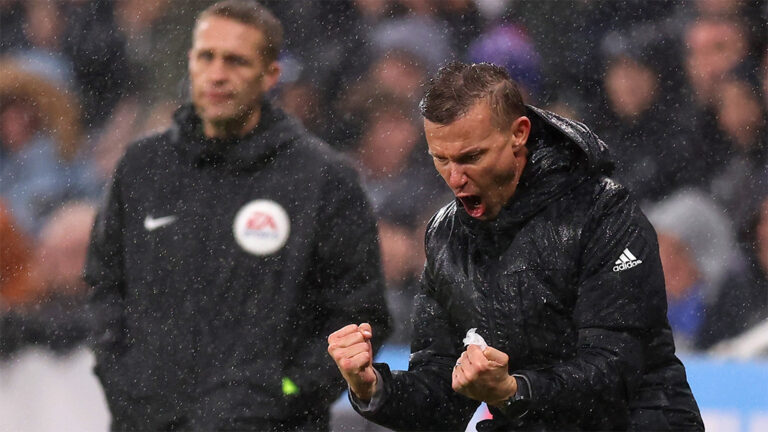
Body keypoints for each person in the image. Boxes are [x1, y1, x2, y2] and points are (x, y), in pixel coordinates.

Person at [328, 62, 703, 431]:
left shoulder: (602, 212)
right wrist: (372, 387)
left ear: (519, 133)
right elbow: (443, 395)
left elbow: (616, 368)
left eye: (471, 157)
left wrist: (514, 391)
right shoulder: (446, 238)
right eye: (440, 159)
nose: (455, 178)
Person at [85, 1, 390, 430]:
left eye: (236, 60)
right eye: (206, 56)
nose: (217, 72)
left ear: (270, 76)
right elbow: (104, 288)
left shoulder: (323, 180)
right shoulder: (141, 167)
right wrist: (129, 386)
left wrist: (285, 393)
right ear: (190, 61)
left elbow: (359, 315)